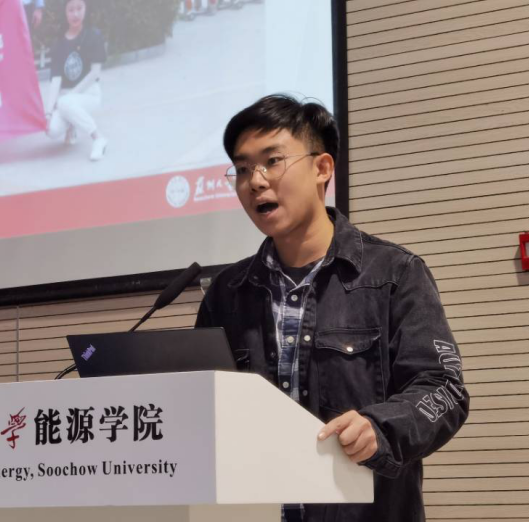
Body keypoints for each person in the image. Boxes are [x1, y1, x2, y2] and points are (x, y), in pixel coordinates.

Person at [195, 94, 470, 522]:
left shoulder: (394, 274)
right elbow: (203, 409)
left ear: (322, 168)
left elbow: (444, 388)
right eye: (243, 169)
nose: (255, 181)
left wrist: (379, 427)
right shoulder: (227, 293)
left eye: (272, 161)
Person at [45, 0, 108, 161]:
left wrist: (69, 96)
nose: (75, 14)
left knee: (65, 102)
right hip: (66, 98)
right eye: (71, 10)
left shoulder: (93, 35)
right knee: (50, 129)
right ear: (65, 12)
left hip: (89, 94)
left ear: (86, 8)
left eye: (79, 8)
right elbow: (55, 80)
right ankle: (71, 125)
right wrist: (48, 112)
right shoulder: (59, 43)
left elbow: (95, 73)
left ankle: (98, 138)